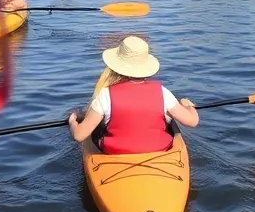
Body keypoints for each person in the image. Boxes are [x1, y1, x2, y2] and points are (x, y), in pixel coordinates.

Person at [68, 36, 199, 154]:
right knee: (168, 121)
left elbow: (79, 136)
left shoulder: (105, 94)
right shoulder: (163, 92)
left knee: (97, 128)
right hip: (158, 148)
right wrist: (188, 106)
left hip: (115, 151)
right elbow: (192, 122)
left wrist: (73, 122)